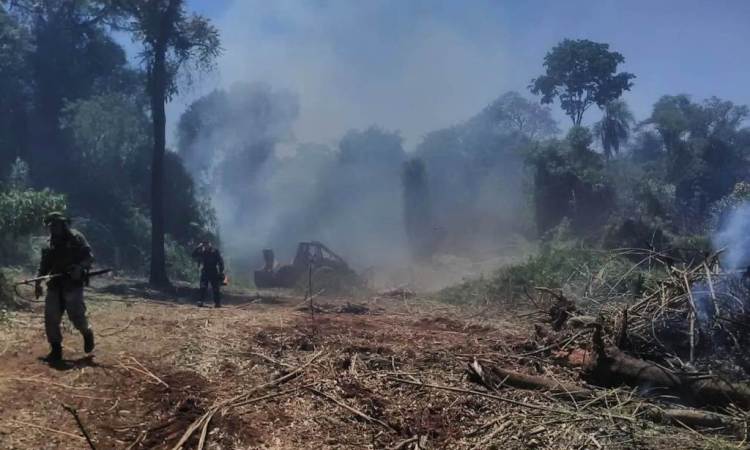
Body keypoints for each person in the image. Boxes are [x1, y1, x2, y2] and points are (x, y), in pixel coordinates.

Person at [34, 212, 95, 363]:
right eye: (50, 225)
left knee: (77, 317)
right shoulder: (49, 243)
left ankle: (87, 333)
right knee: (51, 317)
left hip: (73, 284)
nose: (53, 228)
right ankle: (56, 350)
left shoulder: (76, 238)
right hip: (55, 284)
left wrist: (79, 268)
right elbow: (43, 266)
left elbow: (89, 257)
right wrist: (37, 282)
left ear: (63, 224)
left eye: (55, 224)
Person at [192, 240, 225, 307]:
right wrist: (198, 247)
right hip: (205, 270)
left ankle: (217, 303)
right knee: (203, 287)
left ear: (210, 244)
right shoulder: (202, 251)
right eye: (204, 244)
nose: (206, 246)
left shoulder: (215, 251)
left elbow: (220, 261)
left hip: (213, 271)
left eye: (207, 244)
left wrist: (221, 271)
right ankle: (200, 301)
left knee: (215, 288)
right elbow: (193, 255)